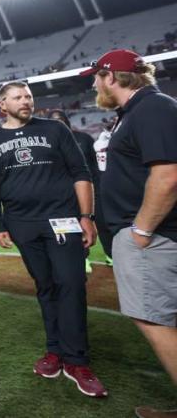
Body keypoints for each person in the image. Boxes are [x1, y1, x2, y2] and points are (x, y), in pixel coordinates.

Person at [0, 82, 107, 397]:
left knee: (72, 283)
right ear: (2, 105)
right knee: (46, 286)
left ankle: (77, 361)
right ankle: (55, 351)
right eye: (18, 97)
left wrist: (87, 217)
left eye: (28, 96)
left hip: (62, 220)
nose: (25, 101)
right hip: (22, 224)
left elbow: (81, 172)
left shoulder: (55, 130)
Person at [81, 50, 177, 418]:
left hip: (153, 237)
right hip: (153, 234)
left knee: (154, 317)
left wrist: (141, 230)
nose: (94, 84)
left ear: (113, 76)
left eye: (97, 77)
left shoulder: (151, 108)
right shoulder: (137, 112)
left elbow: (167, 174)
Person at [49, 108, 110, 270]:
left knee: (103, 223)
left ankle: (110, 254)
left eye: (60, 120)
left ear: (67, 122)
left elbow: (96, 164)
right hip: (66, 194)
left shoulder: (84, 139)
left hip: (92, 189)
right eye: (54, 121)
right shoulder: (46, 146)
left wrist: (101, 185)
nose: (58, 123)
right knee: (71, 227)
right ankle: (82, 258)